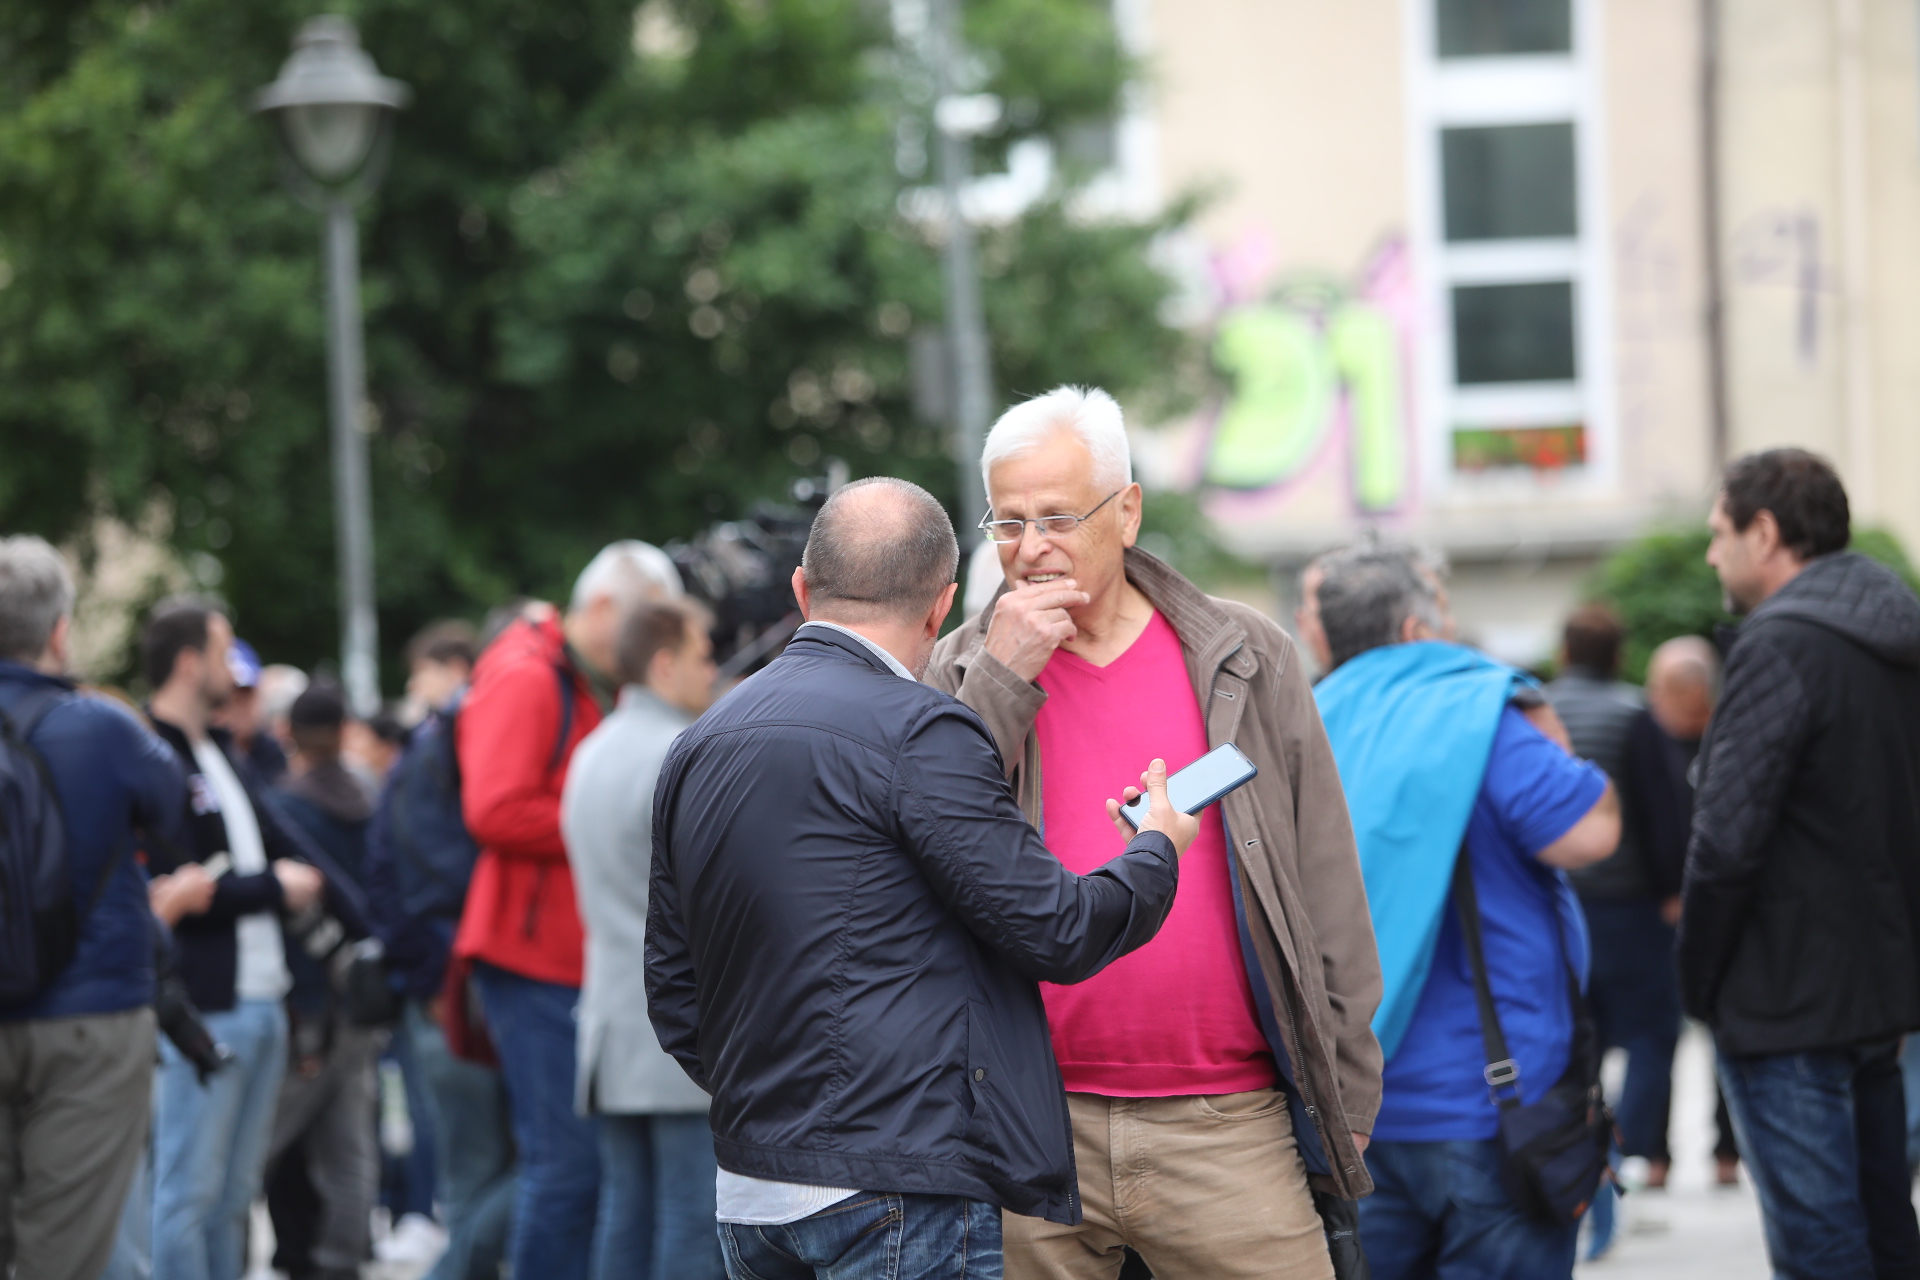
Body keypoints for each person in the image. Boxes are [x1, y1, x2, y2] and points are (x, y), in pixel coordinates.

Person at [648, 476, 1198, 1280]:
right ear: (942, 607)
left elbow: (673, 987)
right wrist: (1157, 847)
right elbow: (1057, 928)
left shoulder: (700, 741)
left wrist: (778, 1105)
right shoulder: (920, 729)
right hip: (895, 1186)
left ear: (805, 591)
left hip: (752, 1189)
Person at [925, 388, 1381, 1280]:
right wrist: (1001, 684)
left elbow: (1326, 872)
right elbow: (932, 851)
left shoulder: (1245, 652)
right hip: (1029, 1116)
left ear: (1126, 511)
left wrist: (1350, 1085)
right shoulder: (959, 667)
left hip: (1226, 1120)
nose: (1032, 548)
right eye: (1008, 523)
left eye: (1058, 516)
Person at [1304, 541, 1620, 1280]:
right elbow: (1589, 832)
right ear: (1417, 628)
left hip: (1351, 1116)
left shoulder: (1300, 723)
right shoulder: (1477, 710)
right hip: (1490, 1106)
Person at [1683, 447, 1920, 1277]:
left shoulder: (1780, 645)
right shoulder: (1897, 633)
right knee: (1888, 1239)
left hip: (1785, 1001)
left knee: (1822, 1255)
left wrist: (1699, 981)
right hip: (1877, 998)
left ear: (1766, 531)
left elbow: (1725, 839)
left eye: (1720, 533)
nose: (1712, 553)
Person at [451, 542, 682, 1280]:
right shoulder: (528, 675)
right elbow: (492, 807)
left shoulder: (567, 676)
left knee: (570, 1169)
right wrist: (606, 818)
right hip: (529, 959)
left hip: (553, 956)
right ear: (608, 609)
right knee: (564, 1168)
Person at [0, 536, 196, 1280]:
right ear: (58, 630)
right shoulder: (101, 727)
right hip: (91, 1015)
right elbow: (172, 806)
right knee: (66, 1251)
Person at [139, 598, 351, 1280]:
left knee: (234, 1195)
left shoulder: (220, 752)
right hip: (205, 1004)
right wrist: (273, 887)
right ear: (188, 661)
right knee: (189, 1194)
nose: (234, 666)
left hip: (262, 998)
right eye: (224, 649)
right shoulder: (153, 754)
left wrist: (361, 927)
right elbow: (177, 888)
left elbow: (288, 851)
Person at [563, 599, 722, 1280]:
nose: (712, 671)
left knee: (624, 1215)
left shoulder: (590, 751)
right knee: (689, 1219)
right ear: (664, 663)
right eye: (701, 656)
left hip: (610, 1023)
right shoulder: (679, 755)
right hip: (677, 1031)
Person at [364, 619, 516, 1280]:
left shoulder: (434, 750)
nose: (414, 689)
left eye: (418, 672)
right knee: (522, 1169)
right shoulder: (442, 748)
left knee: (484, 1175)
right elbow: (396, 882)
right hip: (459, 985)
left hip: (450, 984)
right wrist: (437, 983)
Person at [1544, 606, 1678, 1191]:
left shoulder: (1536, 712)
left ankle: (1588, 1156)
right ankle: (1636, 1153)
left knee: (1579, 1036)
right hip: (1631, 906)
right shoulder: (1635, 713)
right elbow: (1661, 810)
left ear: (1564, 653)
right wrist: (1672, 889)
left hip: (1559, 901)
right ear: (1620, 656)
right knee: (1651, 1035)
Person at [264, 683, 383, 1280]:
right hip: (363, 994)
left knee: (260, 1137)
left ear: (290, 731)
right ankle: (342, 1260)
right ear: (344, 729)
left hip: (309, 997)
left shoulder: (285, 805)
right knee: (349, 1145)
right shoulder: (370, 795)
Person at [1625, 635, 1741, 1187]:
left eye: (1661, 691)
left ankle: (1729, 1151)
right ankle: (1655, 1154)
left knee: (1725, 1030)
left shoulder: (1731, 733)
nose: (1652, 700)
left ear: (1695, 693)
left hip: (1726, 908)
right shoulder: (1648, 734)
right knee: (1661, 1034)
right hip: (1664, 912)